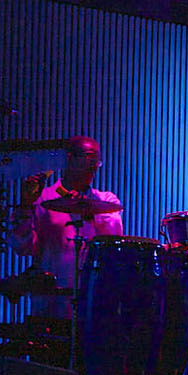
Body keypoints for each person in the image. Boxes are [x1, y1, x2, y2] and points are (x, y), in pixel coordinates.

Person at [9, 135, 123, 318]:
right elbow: (23, 248)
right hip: (51, 303)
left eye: (96, 161)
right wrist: (25, 207)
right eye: (88, 158)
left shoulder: (106, 201)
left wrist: (90, 213)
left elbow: (114, 241)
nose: (93, 165)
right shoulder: (43, 199)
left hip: (92, 302)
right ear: (70, 158)